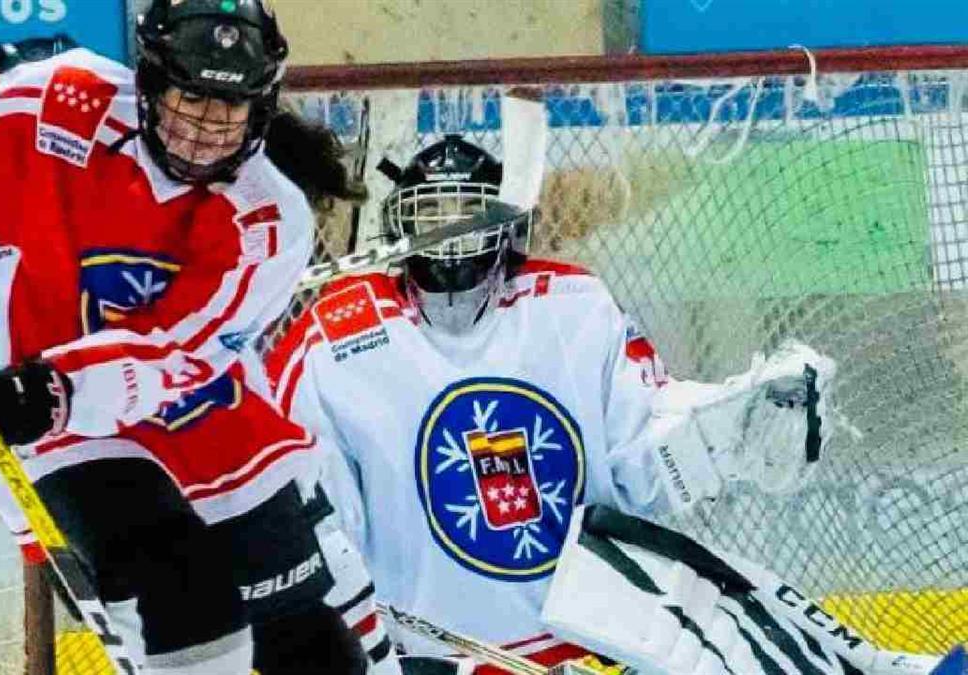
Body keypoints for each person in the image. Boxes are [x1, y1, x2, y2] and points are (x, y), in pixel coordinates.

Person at [0, 2, 376, 673]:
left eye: (229, 109)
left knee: (309, 644)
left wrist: (54, 385)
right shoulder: (63, 106)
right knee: (181, 600)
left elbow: (177, 351)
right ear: (149, 84)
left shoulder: (271, 214)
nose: (205, 133)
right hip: (61, 440)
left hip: (203, 427)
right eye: (189, 101)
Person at [265, 135, 837, 674]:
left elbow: (645, 461)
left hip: (592, 649)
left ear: (506, 227)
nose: (450, 237)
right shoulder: (334, 337)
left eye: (467, 216)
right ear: (401, 225)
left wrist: (731, 428)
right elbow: (310, 518)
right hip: (430, 658)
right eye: (433, 218)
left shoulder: (574, 307)